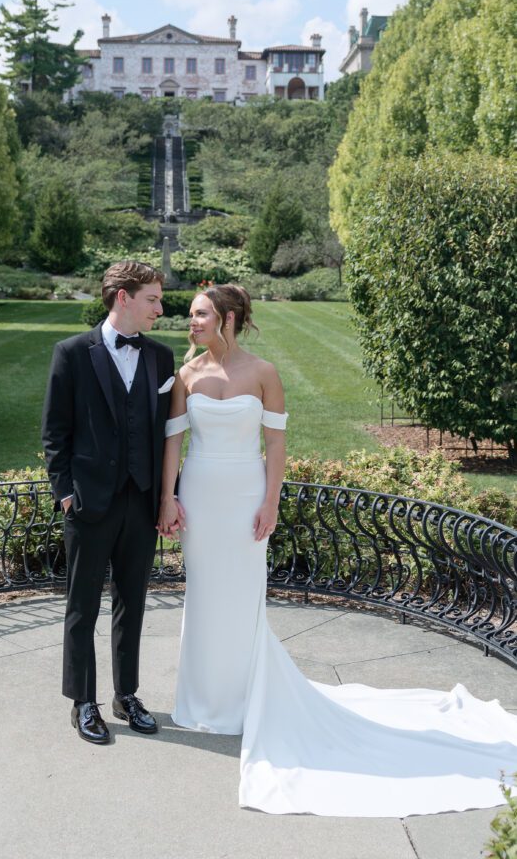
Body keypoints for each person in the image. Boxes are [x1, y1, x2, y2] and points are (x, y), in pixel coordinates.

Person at [158, 283, 517, 816]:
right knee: (205, 595)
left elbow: (275, 443)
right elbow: (173, 443)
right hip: (201, 496)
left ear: (229, 318)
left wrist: (271, 502)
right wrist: (169, 496)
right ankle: (201, 703)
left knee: (241, 597)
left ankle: (244, 700)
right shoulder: (185, 376)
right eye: (190, 315)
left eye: (200, 314)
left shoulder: (264, 373)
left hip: (244, 496)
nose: (191, 322)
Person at [42, 260, 177, 745]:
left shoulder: (162, 358)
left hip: (140, 501)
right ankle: (83, 701)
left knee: (133, 603)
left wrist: (167, 496)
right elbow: (55, 433)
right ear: (123, 297)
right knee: (82, 606)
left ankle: (127, 695)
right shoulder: (72, 353)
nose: (161, 308)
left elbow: (166, 433)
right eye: (152, 299)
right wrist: (65, 494)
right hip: (89, 502)